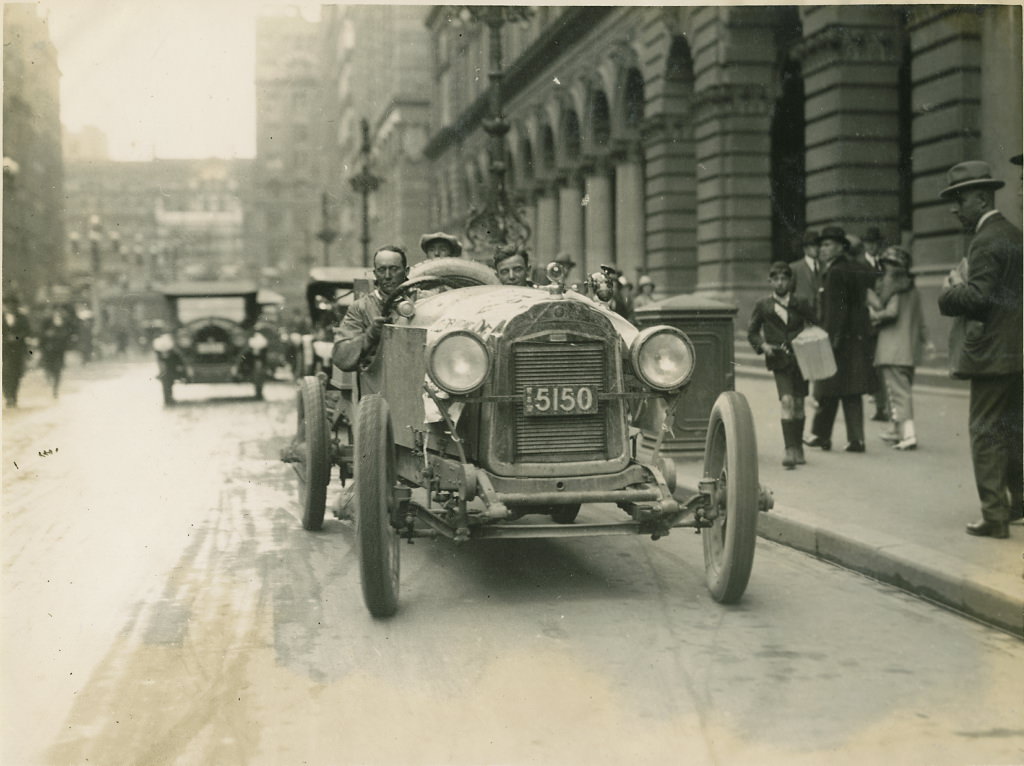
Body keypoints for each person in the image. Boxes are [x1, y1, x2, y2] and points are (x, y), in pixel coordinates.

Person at [937, 160, 1023, 539]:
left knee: (985, 431)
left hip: (991, 354)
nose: (954, 208)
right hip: (1018, 351)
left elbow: (978, 297)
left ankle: (994, 516)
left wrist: (949, 290)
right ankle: (1017, 503)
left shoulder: (985, 241)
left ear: (981, 197)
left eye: (960, 199)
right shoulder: (1016, 235)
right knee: (1014, 429)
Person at [804, 226, 876, 453]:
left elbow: (838, 310)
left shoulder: (835, 272)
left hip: (839, 339)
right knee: (850, 390)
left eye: (827, 245)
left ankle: (820, 435)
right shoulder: (854, 267)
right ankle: (856, 439)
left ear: (840, 247)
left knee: (827, 386)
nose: (822, 249)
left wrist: (830, 340)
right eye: (821, 245)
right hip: (856, 338)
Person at [747, 261, 815, 468]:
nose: (780, 283)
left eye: (784, 279)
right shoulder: (763, 305)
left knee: (800, 404)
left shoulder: (800, 303)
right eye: (775, 279)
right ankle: (789, 449)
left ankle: (799, 446)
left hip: (801, 359)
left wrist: (809, 339)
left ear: (790, 281)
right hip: (778, 359)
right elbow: (752, 332)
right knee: (787, 401)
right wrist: (762, 345)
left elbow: (815, 323)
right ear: (770, 281)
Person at [868, 246, 929, 451]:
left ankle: (908, 434)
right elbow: (920, 320)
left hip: (891, 349)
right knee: (901, 390)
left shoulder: (893, 288)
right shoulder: (912, 289)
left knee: (897, 394)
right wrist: (926, 342)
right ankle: (895, 431)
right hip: (910, 349)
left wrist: (874, 316)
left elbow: (891, 313)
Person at [332, 245, 409, 374]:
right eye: (381, 270)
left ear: (406, 272)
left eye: (394, 269)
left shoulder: (423, 301)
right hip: (377, 384)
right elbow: (341, 357)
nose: (387, 276)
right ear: (375, 274)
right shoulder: (360, 308)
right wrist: (370, 335)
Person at [2, 295, 32, 407]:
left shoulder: (22, 318)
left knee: (17, 374)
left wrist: (16, 337)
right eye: (8, 304)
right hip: (4, 350)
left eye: (13, 304)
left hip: (18, 350)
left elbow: (27, 331)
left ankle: (14, 396)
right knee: (5, 373)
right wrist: (5, 339)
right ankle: (8, 396)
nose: (10, 307)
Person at [38, 306, 74, 399]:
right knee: (49, 368)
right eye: (56, 311)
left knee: (58, 370)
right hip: (48, 349)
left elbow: (70, 333)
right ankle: (50, 378)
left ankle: (55, 389)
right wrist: (47, 335)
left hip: (59, 350)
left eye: (60, 311)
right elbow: (41, 334)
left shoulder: (65, 322)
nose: (58, 313)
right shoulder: (47, 321)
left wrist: (64, 337)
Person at [790, 230, 821, 307]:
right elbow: (788, 292)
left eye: (818, 245)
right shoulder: (794, 267)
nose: (817, 248)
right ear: (805, 248)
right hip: (802, 312)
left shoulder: (824, 266)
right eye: (813, 245)